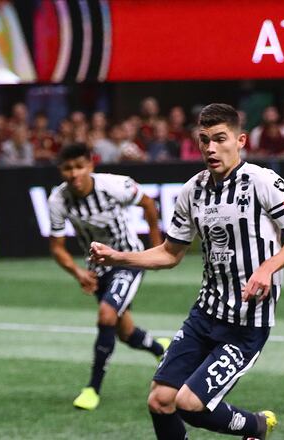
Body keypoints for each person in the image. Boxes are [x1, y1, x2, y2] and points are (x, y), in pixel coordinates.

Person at [90, 103, 284, 439]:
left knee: (189, 404)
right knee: (160, 400)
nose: (210, 148)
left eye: (219, 139)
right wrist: (118, 257)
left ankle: (254, 426)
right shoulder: (192, 190)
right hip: (205, 315)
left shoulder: (263, 182)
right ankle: (252, 427)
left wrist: (267, 268)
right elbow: (169, 253)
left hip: (246, 324)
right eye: (204, 140)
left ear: (240, 141)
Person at [47, 143, 169, 410]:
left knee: (106, 314)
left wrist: (157, 245)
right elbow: (56, 247)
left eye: (80, 167)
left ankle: (92, 388)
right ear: (61, 171)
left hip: (128, 258)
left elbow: (148, 203)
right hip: (98, 266)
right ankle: (162, 349)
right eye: (68, 169)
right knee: (124, 333)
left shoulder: (114, 186)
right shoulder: (57, 200)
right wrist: (78, 272)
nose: (74, 174)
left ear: (91, 165)